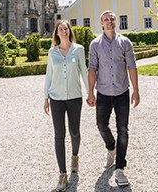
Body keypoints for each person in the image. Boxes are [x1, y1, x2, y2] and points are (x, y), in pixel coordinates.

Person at [87, 10, 139, 187]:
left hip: (122, 92)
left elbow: (132, 67)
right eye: (106, 19)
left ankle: (120, 168)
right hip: (103, 92)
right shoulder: (95, 44)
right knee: (101, 125)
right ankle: (111, 148)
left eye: (112, 19)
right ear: (101, 23)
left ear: (115, 21)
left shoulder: (125, 42)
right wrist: (90, 92)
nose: (109, 21)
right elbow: (92, 69)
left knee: (123, 129)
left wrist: (136, 90)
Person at [44, 20, 88, 191]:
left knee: (74, 132)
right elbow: (49, 75)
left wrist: (90, 93)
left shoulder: (79, 49)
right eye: (60, 29)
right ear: (56, 33)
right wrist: (46, 97)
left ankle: (75, 157)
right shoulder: (52, 52)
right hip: (56, 98)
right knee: (59, 135)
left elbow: (83, 71)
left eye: (66, 28)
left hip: (75, 97)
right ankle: (62, 174)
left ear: (69, 31)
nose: (63, 31)